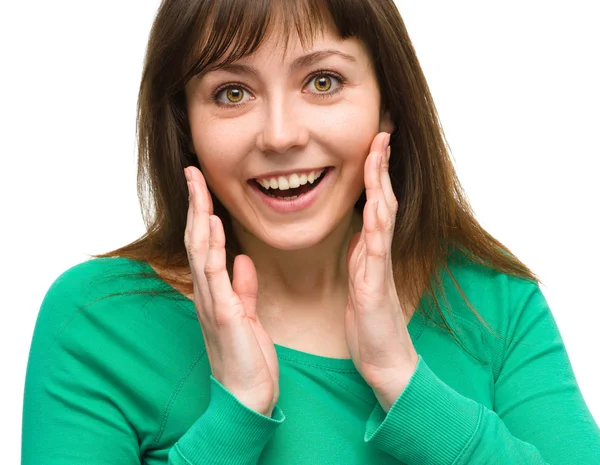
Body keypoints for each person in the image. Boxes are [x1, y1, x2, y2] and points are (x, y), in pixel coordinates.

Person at [21, 0, 600, 463]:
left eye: (322, 81)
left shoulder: (491, 300)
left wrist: (406, 384)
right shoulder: (97, 320)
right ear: (185, 126)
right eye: (232, 92)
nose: (279, 135)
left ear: (388, 106)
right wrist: (234, 418)